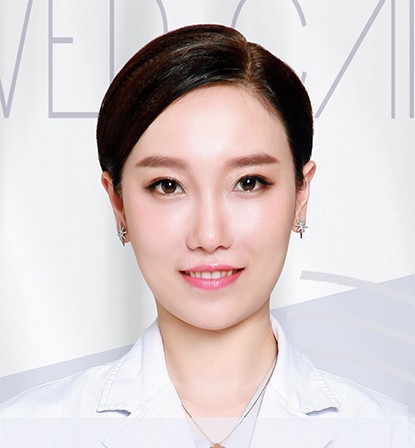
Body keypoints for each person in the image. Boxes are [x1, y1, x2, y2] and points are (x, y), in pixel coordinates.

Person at [0, 24, 412, 448]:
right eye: (168, 185)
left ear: (300, 194)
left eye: (249, 182)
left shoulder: (391, 435)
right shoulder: (23, 433)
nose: (210, 235)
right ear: (118, 202)